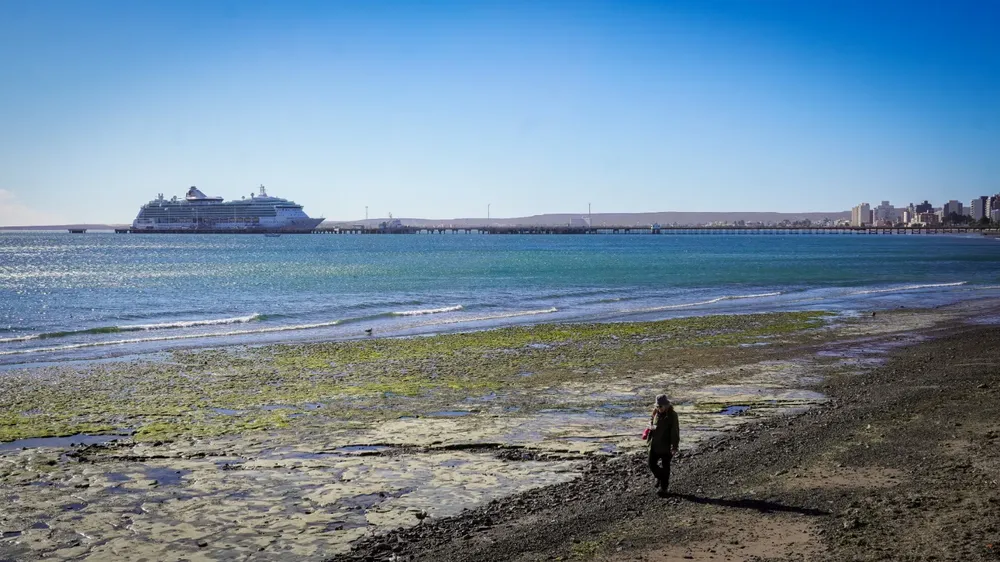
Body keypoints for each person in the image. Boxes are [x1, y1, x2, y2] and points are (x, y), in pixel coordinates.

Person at [646, 394, 679, 496]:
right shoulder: (655, 412)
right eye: (657, 406)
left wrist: (674, 446)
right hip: (654, 444)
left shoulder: (672, 415)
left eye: (660, 406)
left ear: (666, 405)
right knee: (651, 464)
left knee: (666, 467)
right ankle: (659, 477)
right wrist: (650, 426)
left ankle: (664, 489)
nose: (658, 408)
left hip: (666, 446)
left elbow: (675, 431)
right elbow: (651, 420)